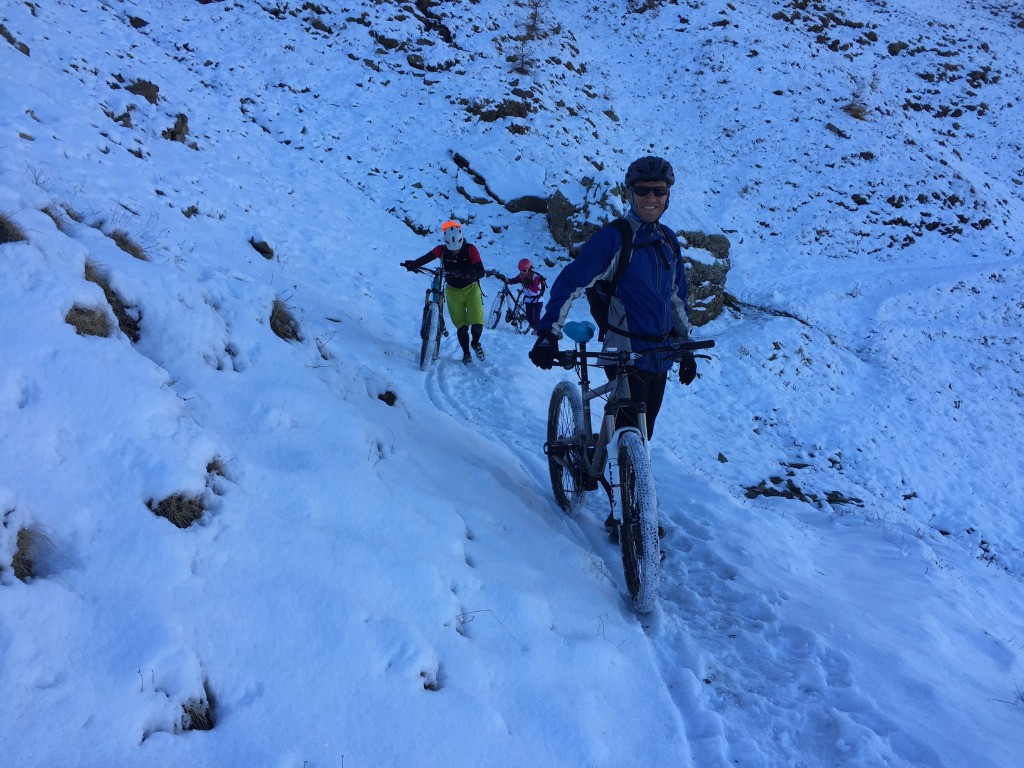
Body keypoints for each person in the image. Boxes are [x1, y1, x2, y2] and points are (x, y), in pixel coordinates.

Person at [529, 155, 698, 439]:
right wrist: (548, 332)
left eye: (659, 190)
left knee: (643, 435)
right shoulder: (614, 239)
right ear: (630, 193)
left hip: (660, 355)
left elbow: (676, 297)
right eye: (643, 190)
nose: (651, 198)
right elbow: (571, 282)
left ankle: (622, 468)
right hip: (624, 353)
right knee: (629, 433)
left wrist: (687, 346)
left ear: (668, 195)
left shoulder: (667, 240)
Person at [402, 220, 487, 365]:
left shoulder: (471, 249)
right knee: (461, 327)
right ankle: (466, 354)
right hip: (453, 292)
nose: (454, 251)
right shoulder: (441, 250)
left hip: (471, 289)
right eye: (451, 249)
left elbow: (481, 271)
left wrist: (472, 275)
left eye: (457, 248)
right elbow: (426, 258)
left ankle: (475, 343)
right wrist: (414, 264)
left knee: (477, 323)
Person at [501, 258, 547, 333]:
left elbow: (535, 290)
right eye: (520, 270)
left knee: (536, 317)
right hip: (528, 300)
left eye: (524, 270)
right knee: (529, 318)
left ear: (529, 269)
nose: (522, 272)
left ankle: (539, 331)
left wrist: (527, 285)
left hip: (538, 300)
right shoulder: (521, 276)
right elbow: (514, 281)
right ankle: (537, 329)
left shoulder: (535, 277)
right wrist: (506, 280)